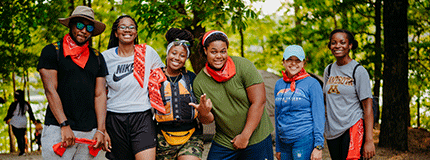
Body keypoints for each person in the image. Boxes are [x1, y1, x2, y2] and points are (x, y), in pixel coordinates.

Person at [190, 30, 274, 160]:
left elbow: (259, 102)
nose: (219, 56)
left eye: (223, 51)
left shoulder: (243, 66)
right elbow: (208, 120)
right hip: (225, 140)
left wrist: (245, 136)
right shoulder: (199, 82)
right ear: (205, 51)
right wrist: (204, 113)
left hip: (256, 137)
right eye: (214, 51)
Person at [37, 6, 107, 159]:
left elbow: (100, 94)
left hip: (89, 131)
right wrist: (64, 124)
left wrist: (101, 130)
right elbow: (50, 90)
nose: (84, 31)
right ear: (71, 24)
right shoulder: (52, 51)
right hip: (58, 129)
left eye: (89, 27)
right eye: (80, 25)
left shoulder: (97, 58)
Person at [102, 15, 164, 160]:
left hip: (142, 117)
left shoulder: (147, 52)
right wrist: (102, 129)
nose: (127, 30)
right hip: (114, 119)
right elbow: (99, 94)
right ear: (116, 32)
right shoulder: (105, 58)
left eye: (131, 27)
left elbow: (163, 79)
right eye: (122, 27)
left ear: (136, 33)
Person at [323, 29, 375, 160]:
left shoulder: (358, 71)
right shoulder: (328, 70)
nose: (337, 46)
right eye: (334, 43)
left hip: (352, 127)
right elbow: (326, 101)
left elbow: (368, 107)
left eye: (342, 42)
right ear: (330, 46)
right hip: (332, 131)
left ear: (350, 45)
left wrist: (369, 140)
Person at [274, 45, 325, 160]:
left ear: (303, 63)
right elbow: (278, 115)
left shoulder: (312, 83)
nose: (293, 63)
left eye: (298, 60)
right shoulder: (279, 84)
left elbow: (319, 115)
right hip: (284, 141)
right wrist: (278, 146)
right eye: (289, 60)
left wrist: (318, 146)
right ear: (283, 62)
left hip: (303, 138)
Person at [4, 90, 36, 156]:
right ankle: (23, 150)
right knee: (22, 136)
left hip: (15, 122)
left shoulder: (14, 104)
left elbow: (10, 113)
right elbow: (31, 113)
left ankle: (21, 150)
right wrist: (33, 120)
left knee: (18, 136)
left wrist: (6, 119)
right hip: (23, 122)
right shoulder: (26, 104)